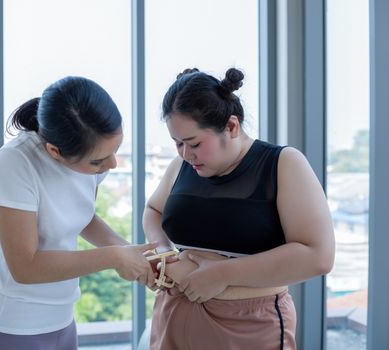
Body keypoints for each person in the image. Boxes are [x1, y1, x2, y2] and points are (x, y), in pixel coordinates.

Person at [143, 68, 335, 350]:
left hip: (248, 326)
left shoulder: (282, 163)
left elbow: (318, 256)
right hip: (172, 314)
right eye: (177, 143)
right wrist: (161, 252)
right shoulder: (183, 164)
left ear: (231, 126)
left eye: (194, 143)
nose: (185, 154)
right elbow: (153, 210)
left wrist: (222, 274)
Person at [0, 76, 157, 350]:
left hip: (63, 322)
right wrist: (114, 257)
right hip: (12, 329)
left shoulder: (91, 160)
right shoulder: (15, 162)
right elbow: (25, 267)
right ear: (55, 152)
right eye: (98, 161)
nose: (112, 164)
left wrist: (131, 251)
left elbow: (81, 216)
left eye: (115, 151)